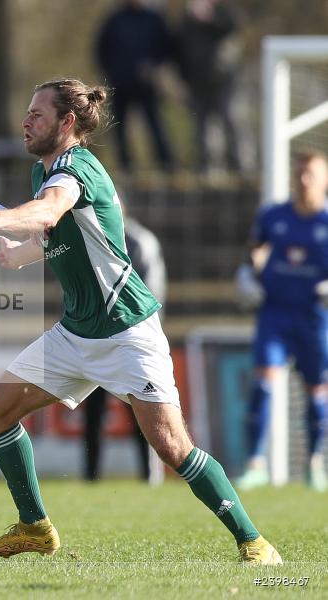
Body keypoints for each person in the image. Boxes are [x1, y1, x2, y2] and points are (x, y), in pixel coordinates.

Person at [0, 78, 281, 564]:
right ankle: (35, 527)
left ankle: (254, 541)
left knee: (172, 447)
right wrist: (17, 255)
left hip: (127, 331)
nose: (25, 121)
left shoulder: (75, 167)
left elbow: (50, 211)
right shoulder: (41, 174)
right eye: (26, 112)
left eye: (37, 114)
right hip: (76, 332)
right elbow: (57, 234)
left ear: (67, 123)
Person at [234, 152, 328, 493]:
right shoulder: (273, 215)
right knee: (263, 384)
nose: (304, 181)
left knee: (317, 391)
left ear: (324, 180)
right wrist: (247, 274)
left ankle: (315, 464)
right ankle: (255, 464)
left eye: (312, 175)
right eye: (300, 174)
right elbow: (254, 251)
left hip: (315, 318)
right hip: (275, 313)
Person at [82, 211, 166, 482]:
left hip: (131, 340)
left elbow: (151, 291)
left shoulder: (140, 241)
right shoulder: (85, 237)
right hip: (96, 339)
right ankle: (91, 476)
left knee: (143, 410)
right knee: (93, 412)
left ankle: (150, 475)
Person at [95, 0, 174, 171]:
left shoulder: (153, 19)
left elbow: (167, 46)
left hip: (146, 84)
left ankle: (166, 165)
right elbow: (101, 49)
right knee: (119, 127)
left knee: (155, 124)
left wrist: (153, 65)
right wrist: (111, 72)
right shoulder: (114, 19)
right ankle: (126, 166)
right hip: (120, 83)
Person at [176, 0, 243, 173]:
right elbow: (179, 50)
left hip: (224, 81)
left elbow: (232, 27)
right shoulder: (187, 21)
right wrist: (184, 78)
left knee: (230, 120)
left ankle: (239, 165)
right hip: (197, 83)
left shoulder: (224, 12)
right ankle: (206, 168)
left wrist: (209, 18)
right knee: (201, 126)